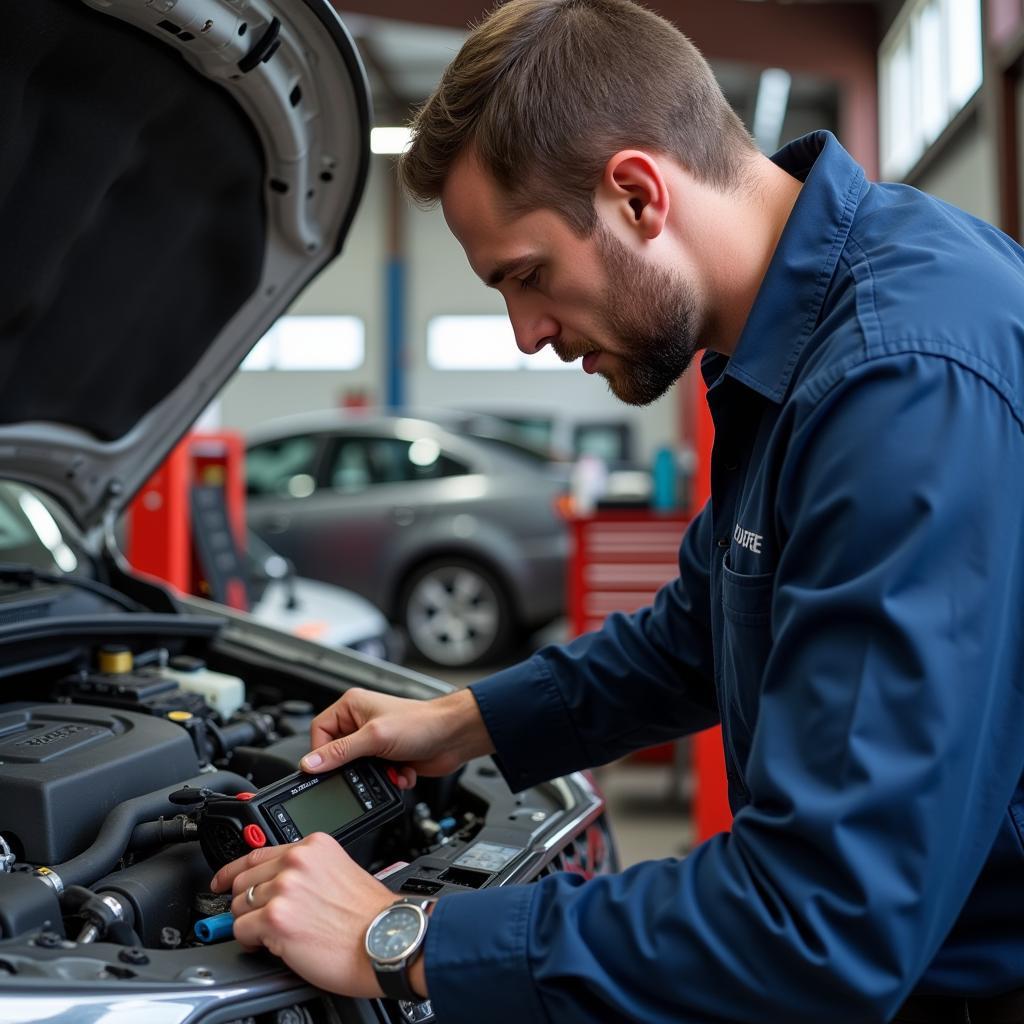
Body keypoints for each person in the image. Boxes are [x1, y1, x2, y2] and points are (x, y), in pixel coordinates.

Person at [210, 1, 1024, 1020]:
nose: (524, 333)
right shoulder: (801, 335)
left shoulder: (897, 384)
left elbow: (820, 921)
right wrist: (464, 722)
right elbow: (699, 634)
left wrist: (400, 934)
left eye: (527, 276)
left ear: (638, 194)